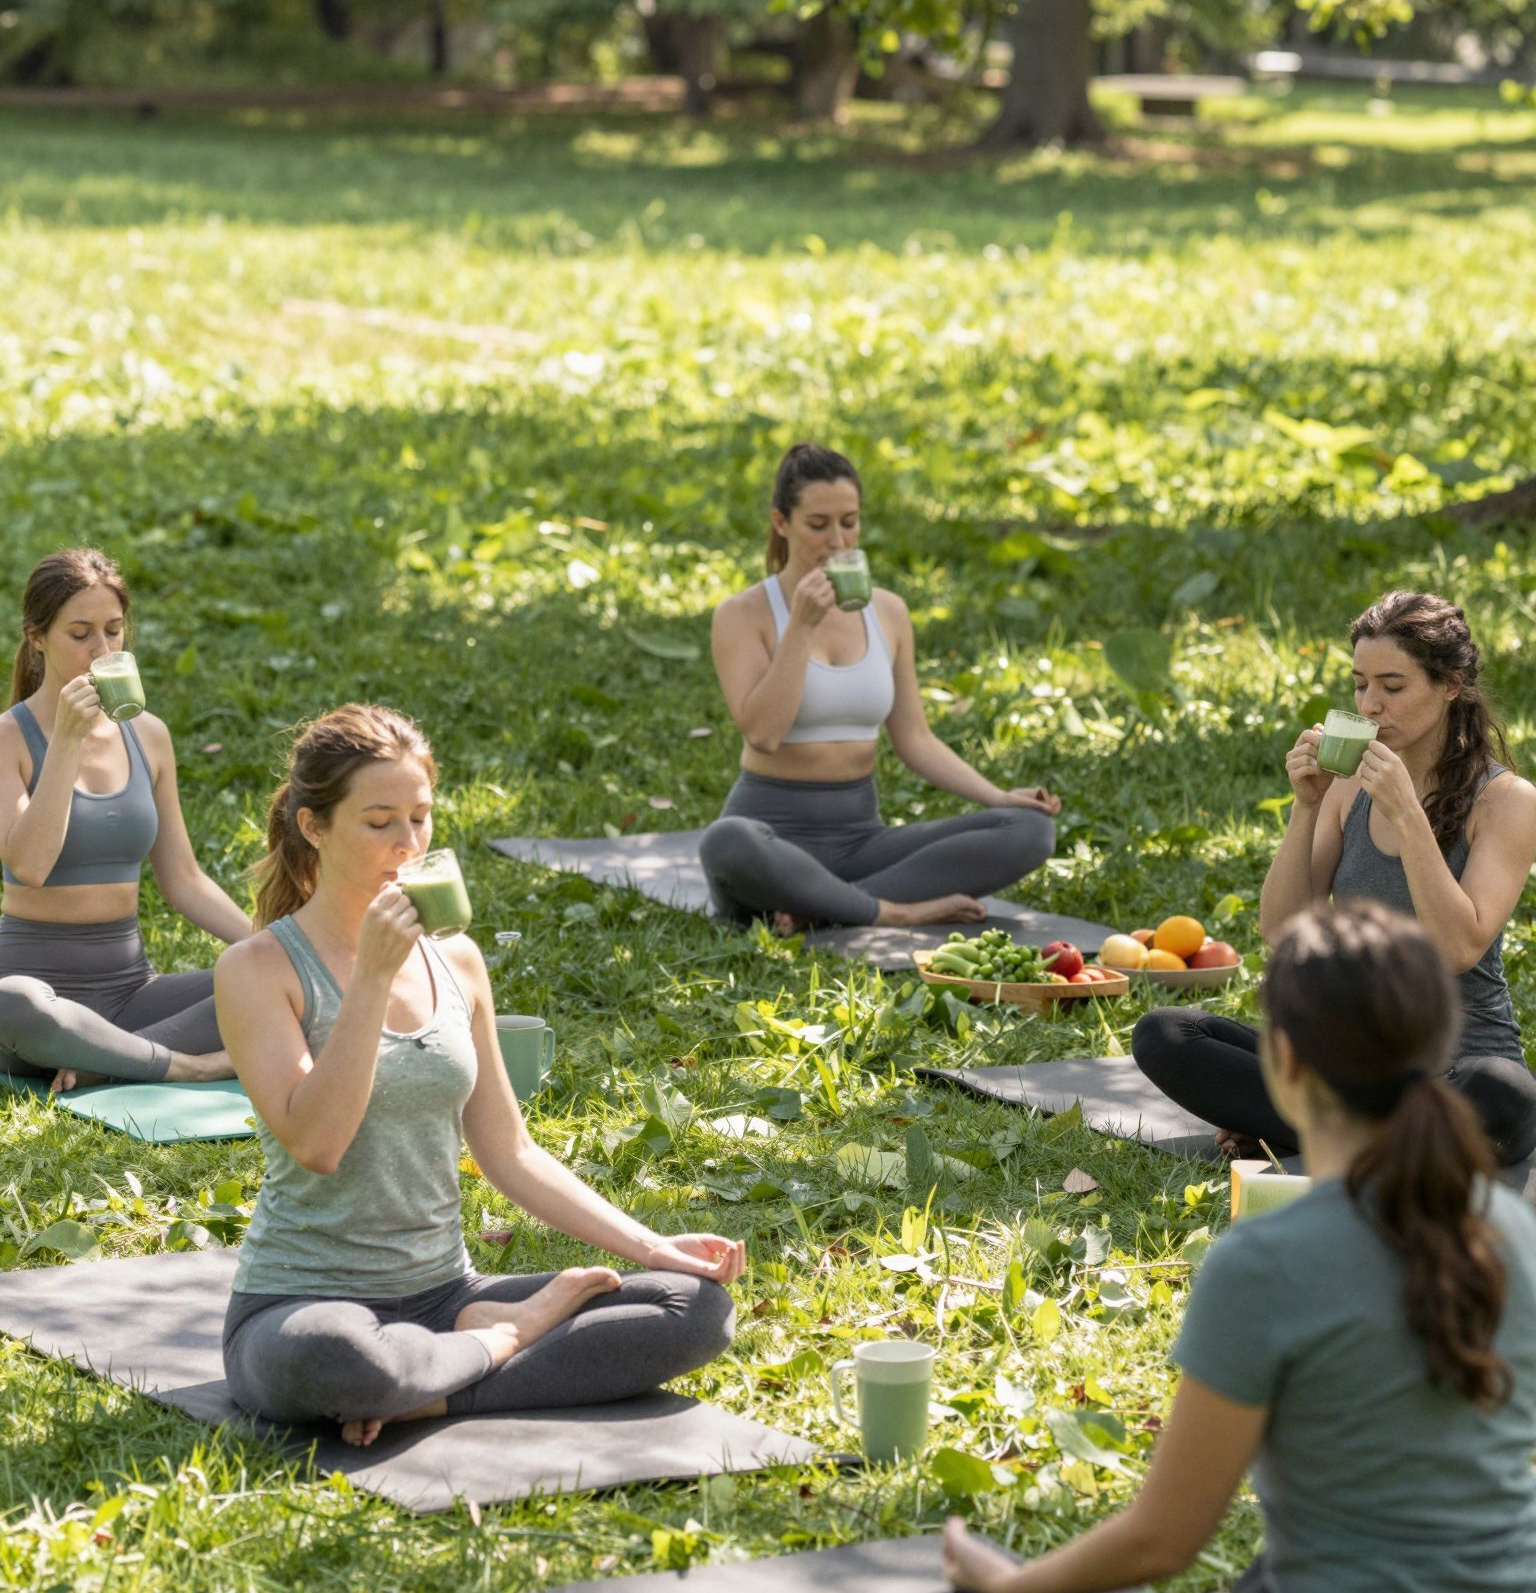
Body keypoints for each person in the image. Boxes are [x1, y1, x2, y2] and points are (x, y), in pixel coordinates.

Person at [898, 901, 1536, 1593]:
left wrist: (1013, 1582)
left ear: (1283, 1062)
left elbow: (1164, 1538)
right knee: (1338, 1532)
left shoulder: (1268, 1259)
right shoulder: (1511, 1227)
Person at [215, 704, 740, 1443]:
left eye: (420, 818)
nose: (408, 844)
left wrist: (652, 1246)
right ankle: (501, 1342)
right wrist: (371, 979)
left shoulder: (457, 961)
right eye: (379, 823)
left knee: (694, 1308)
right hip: (303, 1305)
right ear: (314, 827)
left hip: (446, 1296)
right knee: (335, 1360)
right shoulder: (257, 968)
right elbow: (317, 1144)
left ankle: (431, 1387)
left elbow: (510, 1152)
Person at [1134, 590, 1536, 1165]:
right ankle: (1376, 1138)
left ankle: (1313, 1130)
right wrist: (1306, 806)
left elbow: (1455, 951)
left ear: (1451, 685)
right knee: (1166, 1034)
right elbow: (1283, 931)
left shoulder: (1507, 801)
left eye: (1392, 687)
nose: (1370, 705)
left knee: (1503, 1093)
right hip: (1351, 1071)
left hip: (1459, 1071)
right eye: (1359, 684)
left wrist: (1407, 813)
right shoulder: (1347, 788)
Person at [700, 443, 1061, 931]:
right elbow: (763, 734)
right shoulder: (742, 614)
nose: (837, 540)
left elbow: (915, 738)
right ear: (781, 523)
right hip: (773, 843)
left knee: (1030, 830)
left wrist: (998, 798)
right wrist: (800, 628)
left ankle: (823, 908)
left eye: (849, 522)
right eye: (818, 525)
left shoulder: (888, 611)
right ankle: (893, 911)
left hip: (861, 844)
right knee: (725, 841)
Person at [0, 547, 249, 1090]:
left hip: (131, 993)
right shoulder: (9, 738)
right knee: (13, 1004)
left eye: (114, 632)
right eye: (80, 634)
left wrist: (274, 949)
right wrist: (66, 742)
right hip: (34, 995)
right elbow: (30, 867)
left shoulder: (150, 736)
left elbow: (184, 880)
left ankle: (108, 1058)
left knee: (276, 982)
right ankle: (188, 1064)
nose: (102, 650)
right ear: (37, 638)